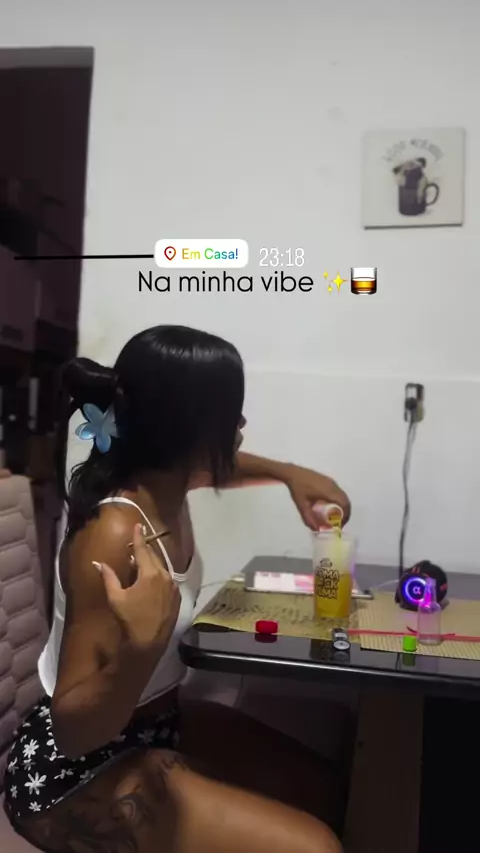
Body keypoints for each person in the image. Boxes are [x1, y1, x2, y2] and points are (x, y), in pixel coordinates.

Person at [3, 325, 350, 853]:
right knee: (316, 846)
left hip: (158, 723)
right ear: (190, 432)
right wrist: (140, 648)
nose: (241, 425)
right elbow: (73, 731)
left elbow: (222, 470)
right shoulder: (115, 536)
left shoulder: (166, 481)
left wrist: (289, 474)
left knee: (322, 785)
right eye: (231, 414)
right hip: (73, 770)